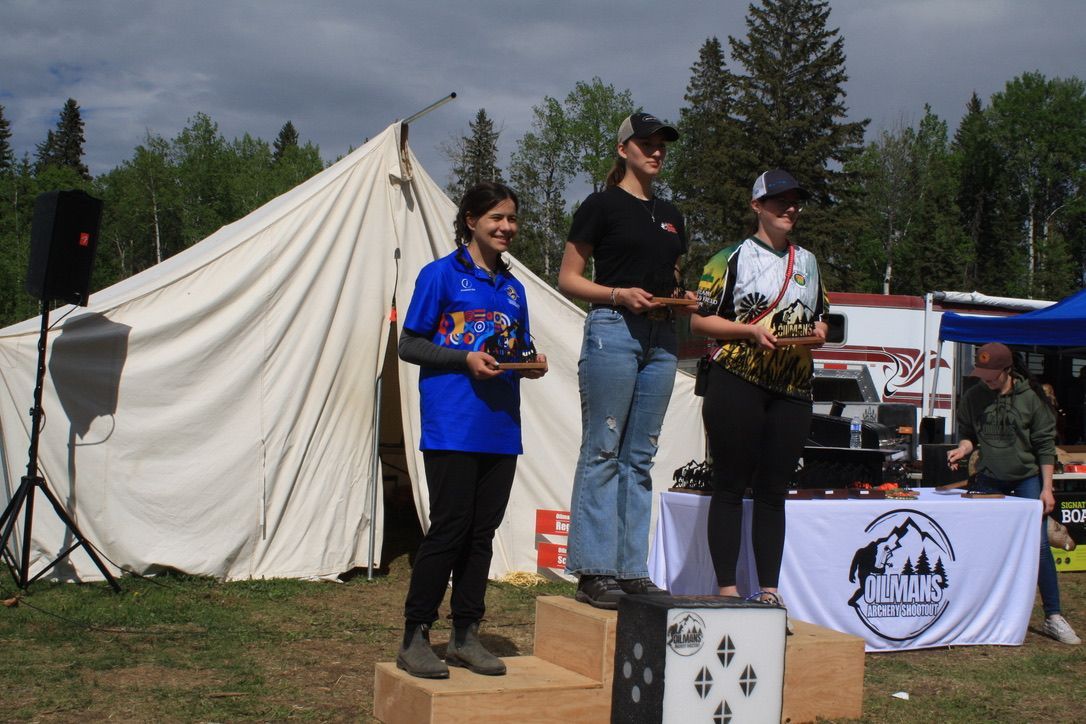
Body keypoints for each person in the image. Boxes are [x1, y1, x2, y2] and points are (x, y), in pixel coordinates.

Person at [396, 182, 549, 678]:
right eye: (496, 218)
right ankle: (415, 635)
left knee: (481, 535)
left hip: (501, 428)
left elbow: (512, 350)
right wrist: (463, 358)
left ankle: (466, 635)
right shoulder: (439, 275)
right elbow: (409, 344)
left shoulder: (513, 288)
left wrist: (530, 364)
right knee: (449, 531)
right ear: (470, 221)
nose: (506, 227)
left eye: (512, 219)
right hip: (453, 426)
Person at [558, 112, 695, 609]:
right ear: (623, 150)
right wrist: (618, 294)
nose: (655, 151)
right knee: (603, 449)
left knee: (640, 457)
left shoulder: (672, 213)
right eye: (645, 143)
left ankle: (632, 569)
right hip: (614, 330)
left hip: (662, 336)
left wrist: (682, 297)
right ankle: (595, 570)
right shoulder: (601, 205)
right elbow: (568, 278)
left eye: (662, 144)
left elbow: (670, 276)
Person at [690, 169, 828, 622]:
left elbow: (821, 317)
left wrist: (820, 332)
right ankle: (727, 591)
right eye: (778, 202)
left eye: (794, 202)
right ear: (757, 206)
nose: (789, 209)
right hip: (737, 379)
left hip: (792, 386)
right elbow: (699, 322)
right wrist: (749, 331)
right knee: (729, 485)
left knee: (774, 491)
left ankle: (769, 591)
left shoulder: (807, 262)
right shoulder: (728, 258)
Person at [948, 343, 1080, 645]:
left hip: (1026, 480)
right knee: (980, 545)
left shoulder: (1031, 399)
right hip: (989, 478)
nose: (986, 380)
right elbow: (969, 435)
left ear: (1008, 371)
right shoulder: (974, 396)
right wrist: (963, 449)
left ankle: (1053, 616)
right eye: (981, 374)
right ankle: (975, 613)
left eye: (991, 375)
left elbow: (1045, 448)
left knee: (1039, 546)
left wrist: (1046, 489)